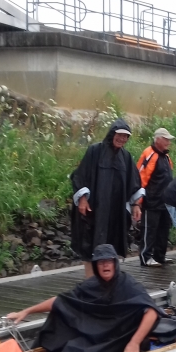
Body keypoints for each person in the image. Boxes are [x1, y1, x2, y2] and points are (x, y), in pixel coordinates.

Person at [6, 244, 164, 352]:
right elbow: (62, 301)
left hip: (122, 336)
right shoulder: (91, 285)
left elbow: (151, 311)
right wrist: (26, 311)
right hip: (100, 333)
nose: (105, 265)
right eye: (100, 262)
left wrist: (134, 342)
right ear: (95, 266)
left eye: (108, 261)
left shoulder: (128, 284)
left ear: (115, 263)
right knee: (68, 341)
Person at [71, 119, 144, 277]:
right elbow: (80, 175)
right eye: (119, 135)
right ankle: (90, 283)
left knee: (111, 245)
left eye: (125, 137)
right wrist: (82, 199)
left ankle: (107, 282)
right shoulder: (95, 151)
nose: (122, 139)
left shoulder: (125, 157)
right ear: (112, 134)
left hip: (114, 212)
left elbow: (134, 183)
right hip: (93, 210)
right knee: (89, 245)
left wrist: (136, 205)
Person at [136, 127, 176, 267]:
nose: (168, 142)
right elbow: (140, 177)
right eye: (166, 139)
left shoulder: (165, 156)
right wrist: (138, 201)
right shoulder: (149, 153)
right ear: (157, 139)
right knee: (149, 230)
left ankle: (160, 256)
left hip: (165, 202)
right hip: (151, 201)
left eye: (169, 140)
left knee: (163, 230)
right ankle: (145, 257)